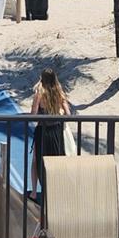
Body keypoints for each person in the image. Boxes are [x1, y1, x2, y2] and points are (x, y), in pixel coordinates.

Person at [28, 68, 75, 199]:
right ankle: (57, 191)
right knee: (57, 160)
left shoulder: (39, 93)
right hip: (57, 130)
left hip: (43, 131)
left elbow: (33, 115)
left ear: (42, 79)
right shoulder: (59, 92)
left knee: (36, 160)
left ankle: (34, 192)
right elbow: (68, 114)